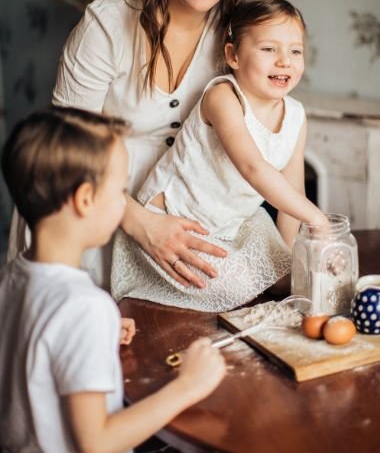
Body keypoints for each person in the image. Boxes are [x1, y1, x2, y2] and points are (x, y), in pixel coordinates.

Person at [7, 0, 277, 292]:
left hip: (189, 218)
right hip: (89, 216)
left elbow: (276, 105)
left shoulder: (251, 0)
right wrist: (142, 222)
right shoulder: (107, 25)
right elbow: (64, 157)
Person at [0, 107, 225, 453]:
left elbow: (35, 354)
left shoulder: (14, 273)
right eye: (120, 191)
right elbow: (98, 442)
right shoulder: (85, 307)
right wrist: (188, 387)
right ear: (85, 200)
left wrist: (92, 336)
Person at [112, 0, 328, 312]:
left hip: (231, 224)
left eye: (295, 51)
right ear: (234, 55)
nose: (284, 61)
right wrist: (317, 218)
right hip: (172, 221)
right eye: (269, 49)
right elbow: (253, 167)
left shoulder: (296, 115)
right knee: (239, 285)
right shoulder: (223, 96)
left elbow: (292, 191)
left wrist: (287, 259)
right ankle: (150, 279)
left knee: (287, 268)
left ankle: (274, 275)